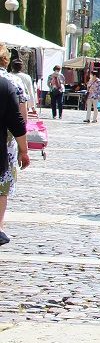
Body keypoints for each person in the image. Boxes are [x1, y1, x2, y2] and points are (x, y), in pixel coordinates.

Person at [0, 46, 31, 246]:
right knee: (2, 185)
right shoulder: (12, 82)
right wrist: (23, 149)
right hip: (6, 142)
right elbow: (21, 119)